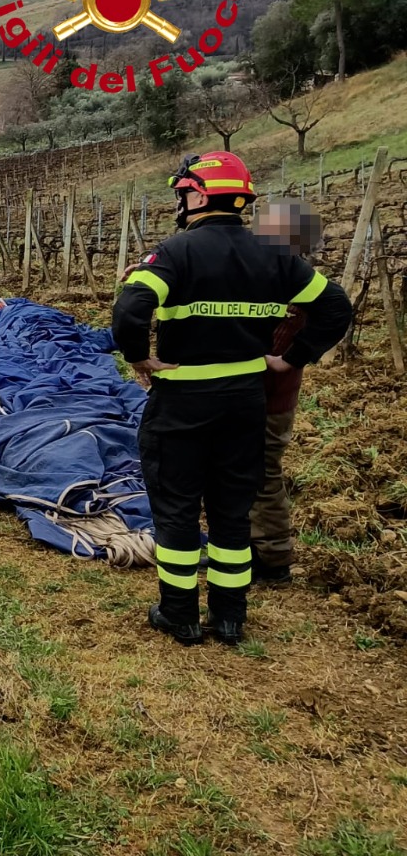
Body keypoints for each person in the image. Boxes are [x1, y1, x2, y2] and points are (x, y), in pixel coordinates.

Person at [112, 152, 351, 646]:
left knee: (176, 506)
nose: (180, 202)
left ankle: (178, 613)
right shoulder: (276, 256)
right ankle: (230, 616)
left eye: (183, 193)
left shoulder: (175, 252)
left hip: (182, 402)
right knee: (231, 509)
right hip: (245, 401)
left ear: (199, 195)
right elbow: (335, 307)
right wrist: (292, 357)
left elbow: (131, 309)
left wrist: (140, 358)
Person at [248, 199, 328, 584]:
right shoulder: (273, 275)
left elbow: (331, 317)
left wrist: (286, 359)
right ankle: (248, 546)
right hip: (255, 396)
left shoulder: (297, 287)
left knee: (262, 475)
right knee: (245, 472)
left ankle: (273, 560)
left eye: (267, 230)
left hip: (270, 399)